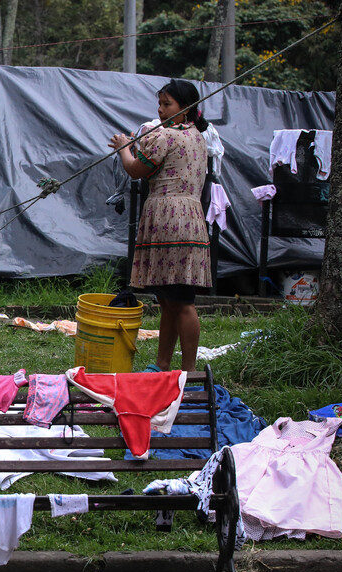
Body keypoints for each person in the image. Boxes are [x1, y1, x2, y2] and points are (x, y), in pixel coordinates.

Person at [107, 79, 211, 373]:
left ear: (186, 108)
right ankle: (163, 363)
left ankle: (189, 371)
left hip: (170, 220)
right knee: (168, 299)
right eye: (160, 104)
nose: (161, 110)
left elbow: (136, 169)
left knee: (181, 301)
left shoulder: (165, 136)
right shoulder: (196, 136)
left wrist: (123, 147)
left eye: (168, 104)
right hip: (188, 218)